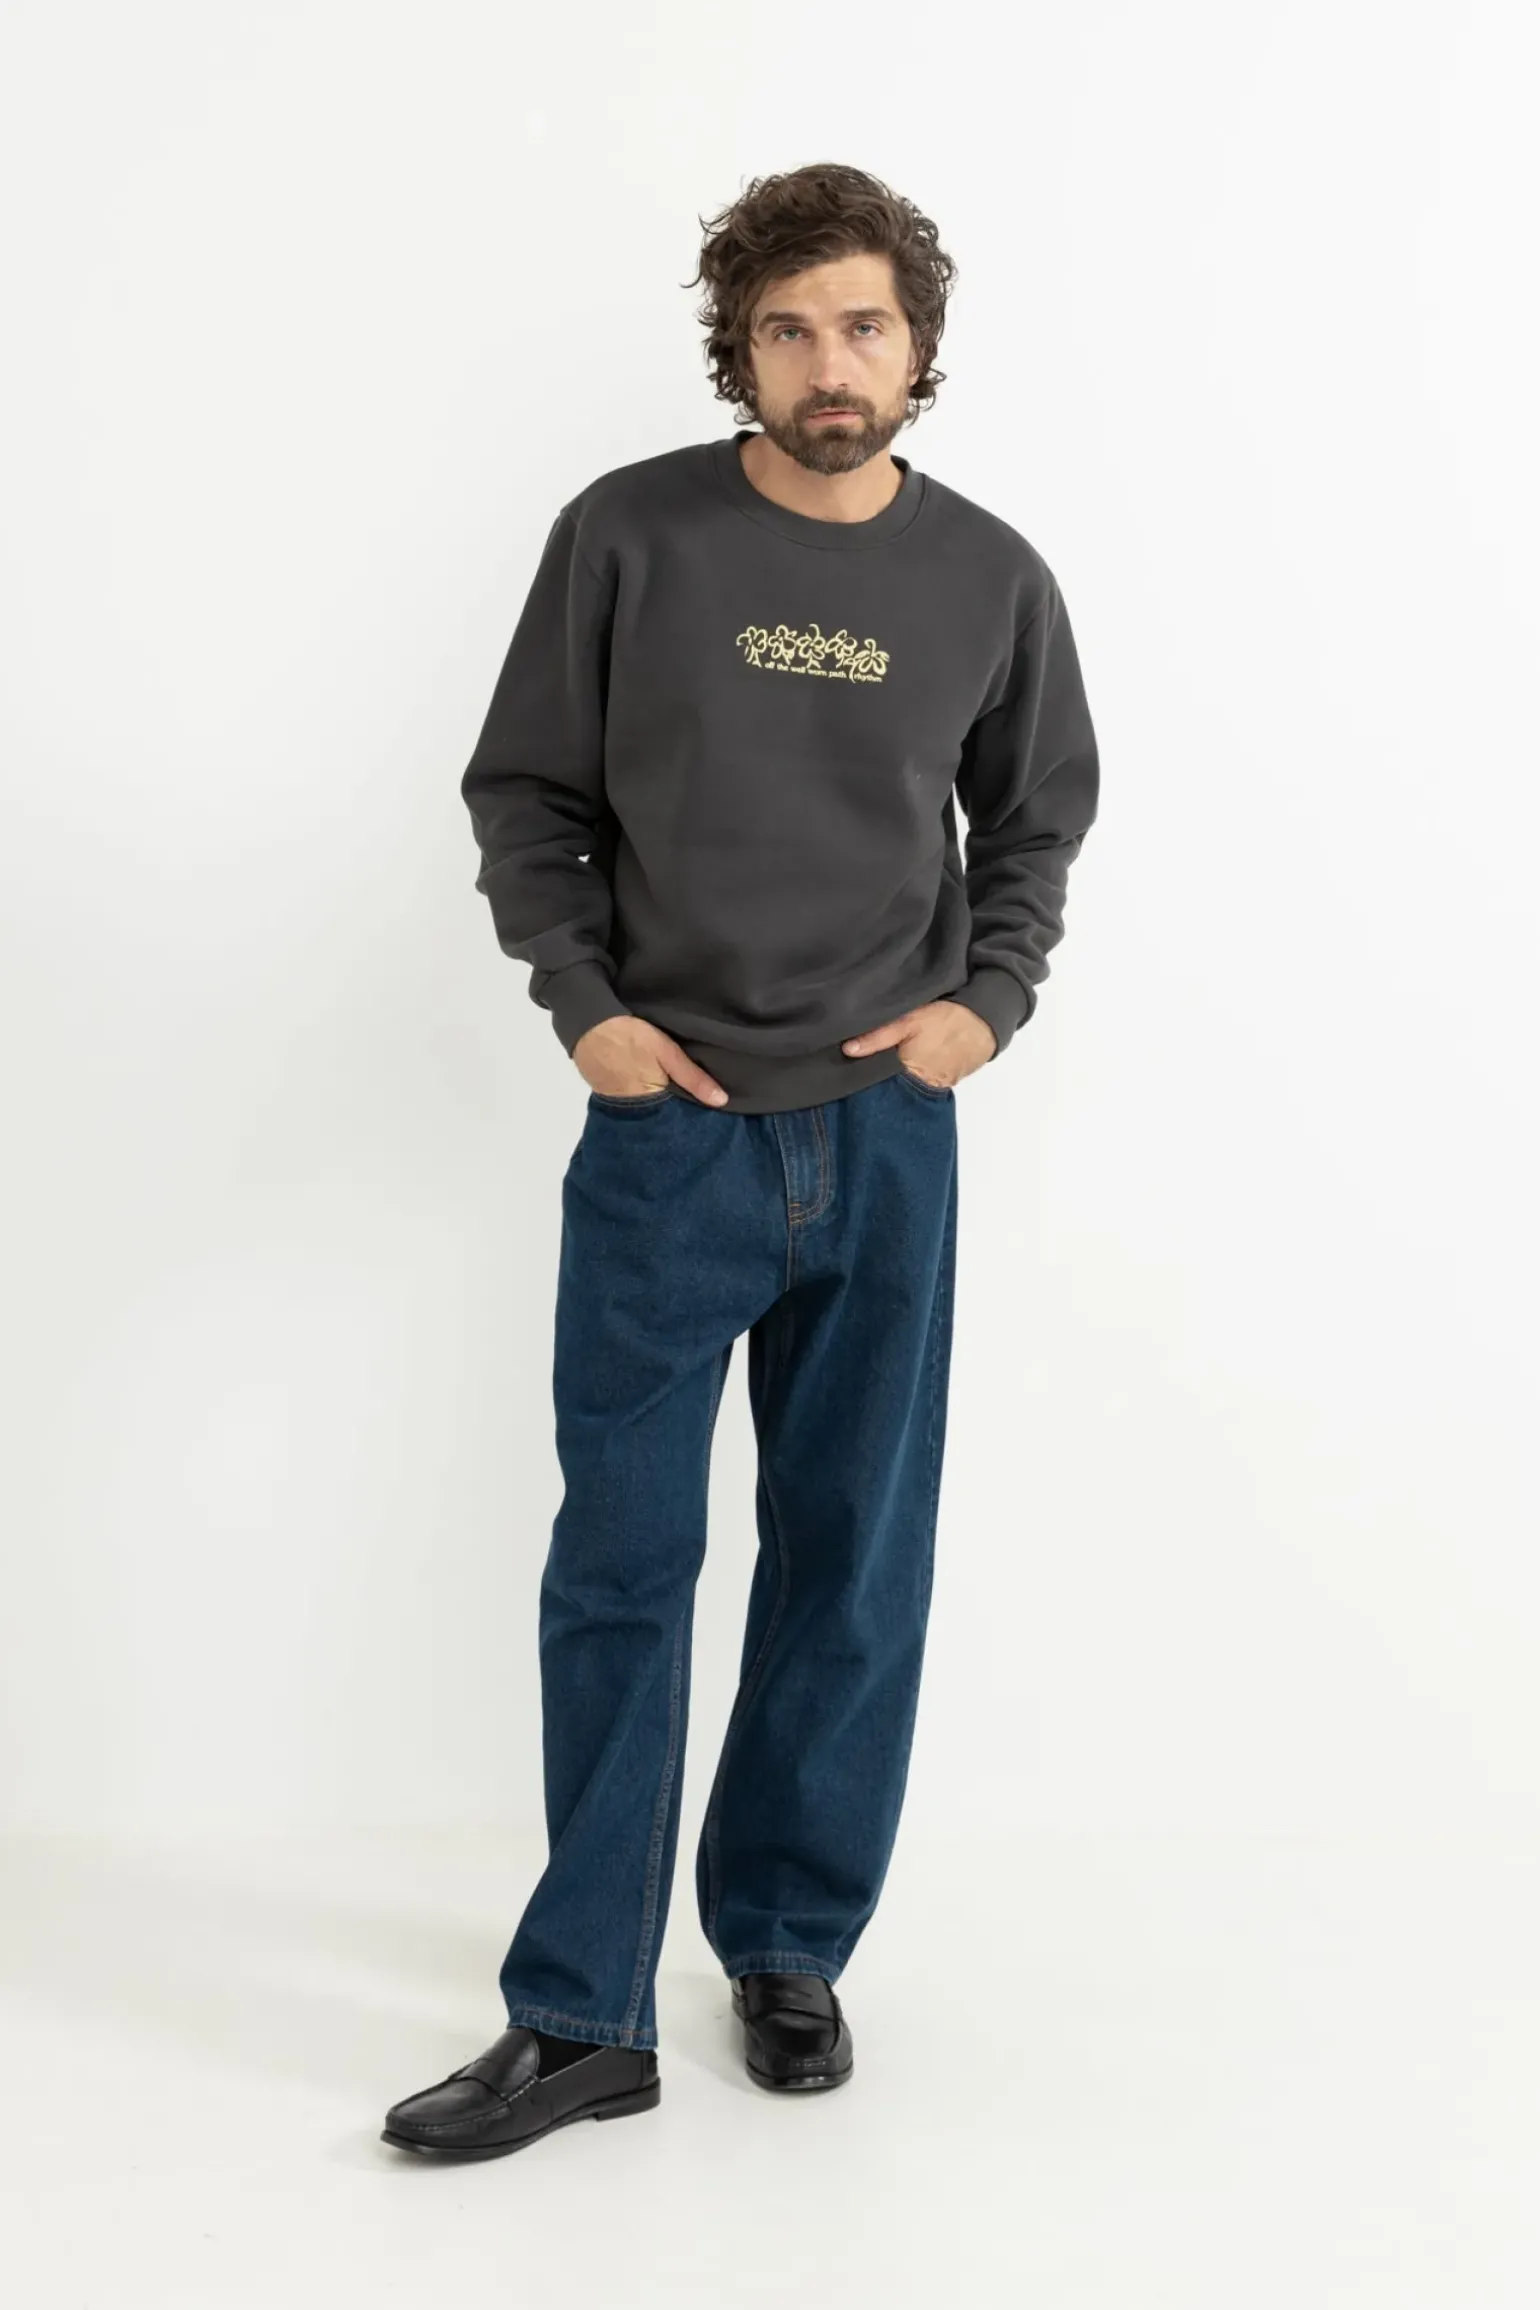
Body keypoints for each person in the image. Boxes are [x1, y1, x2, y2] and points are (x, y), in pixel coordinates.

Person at [382, 158, 1099, 2161]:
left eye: (862, 325)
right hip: (668, 1131)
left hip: (884, 1135)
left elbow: (1037, 815)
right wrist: (586, 1010)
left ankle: (786, 1945)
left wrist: (986, 1001)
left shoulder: (989, 578)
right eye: (787, 329)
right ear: (740, 349)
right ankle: (580, 2014)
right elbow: (525, 790)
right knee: (620, 1568)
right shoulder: (630, 536)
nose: (826, 364)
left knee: (850, 1560)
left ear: (918, 347)